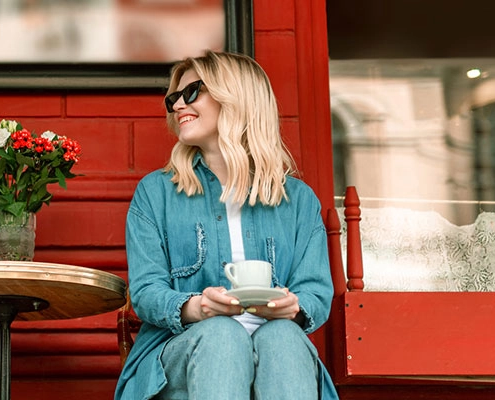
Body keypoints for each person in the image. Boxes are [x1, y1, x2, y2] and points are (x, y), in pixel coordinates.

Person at [114, 51, 338, 400]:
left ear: (236, 98)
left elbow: (315, 292)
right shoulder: (156, 193)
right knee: (222, 334)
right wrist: (196, 307)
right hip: (179, 356)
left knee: (282, 337)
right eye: (173, 98)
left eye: (191, 93)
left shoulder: (298, 200)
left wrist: (293, 307)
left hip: (278, 354)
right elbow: (145, 293)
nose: (177, 106)